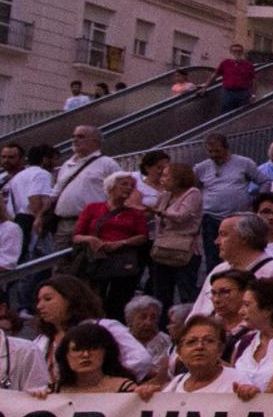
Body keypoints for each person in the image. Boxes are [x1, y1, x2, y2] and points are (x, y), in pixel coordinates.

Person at [32, 275, 153, 376]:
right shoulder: (42, 341)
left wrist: (106, 380)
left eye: (47, 299)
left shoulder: (106, 327)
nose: (39, 306)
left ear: (70, 298)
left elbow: (141, 359)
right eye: (39, 301)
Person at [70, 173, 148, 312]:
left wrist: (122, 242)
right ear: (111, 187)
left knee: (119, 300)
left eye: (131, 185)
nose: (129, 188)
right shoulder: (92, 208)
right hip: (97, 259)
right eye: (124, 184)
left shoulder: (135, 213)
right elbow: (76, 236)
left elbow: (143, 236)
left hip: (123, 260)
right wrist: (91, 239)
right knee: (95, 298)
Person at [194, 132, 262, 266]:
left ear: (226, 148)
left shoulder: (244, 163)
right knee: (213, 256)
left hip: (237, 217)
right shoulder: (201, 167)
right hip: (210, 218)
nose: (214, 155)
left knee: (238, 252)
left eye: (217, 151)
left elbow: (264, 181)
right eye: (210, 151)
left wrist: (256, 202)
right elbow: (193, 188)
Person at [146, 162, 205, 308]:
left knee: (186, 291)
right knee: (161, 292)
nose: (162, 179)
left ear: (179, 178)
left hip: (186, 250)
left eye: (166, 176)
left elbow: (181, 216)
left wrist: (159, 212)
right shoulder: (165, 195)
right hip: (163, 247)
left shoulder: (193, 193)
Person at [47, 125, 117, 249]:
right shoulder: (67, 164)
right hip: (64, 223)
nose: (75, 140)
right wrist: (42, 216)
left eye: (80, 137)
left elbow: (117, 193)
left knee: (86, 262)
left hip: (92, 223)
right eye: (73, 137)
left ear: (95, 141)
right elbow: (55, 193)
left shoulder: (107, 164)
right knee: (60, 263)